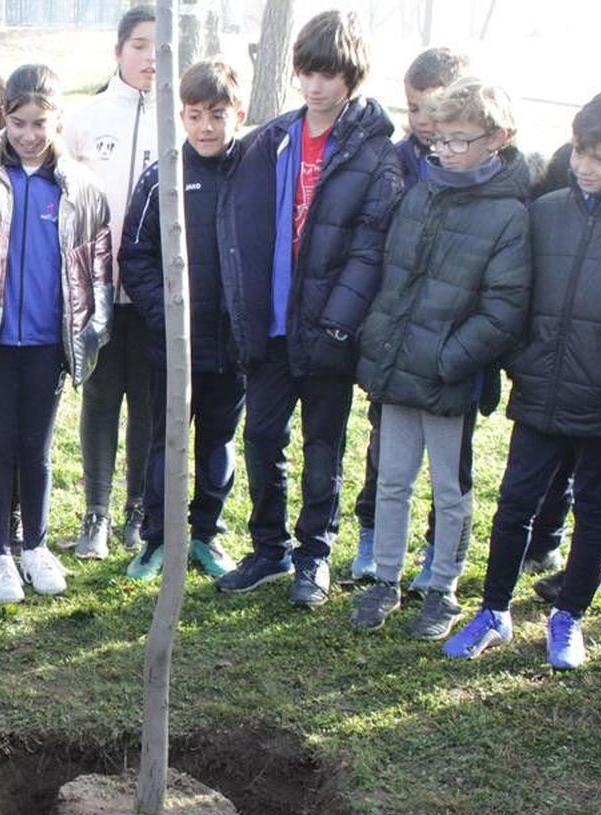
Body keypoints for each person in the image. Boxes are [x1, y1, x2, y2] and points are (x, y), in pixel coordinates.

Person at [444, 86, 601, 670]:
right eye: (579, 151)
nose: (585, 166)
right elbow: (513, 296)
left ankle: (568, 618)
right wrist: (523, 361)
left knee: (596, 510)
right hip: (539, 393)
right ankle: (493, 610)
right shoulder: (546, 212)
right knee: (515, 502)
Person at [213, 9, 403, 608]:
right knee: (263, 440)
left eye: (329, 74)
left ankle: (314, 555)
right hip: (270, 328)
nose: (316, 86)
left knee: (324, 450)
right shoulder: (271, 140)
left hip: (329, 333)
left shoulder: (374, 156)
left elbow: (370, 249)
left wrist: (338, 325)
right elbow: (240, 231)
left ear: (352, 76)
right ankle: (268, 549)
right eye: (307, 72)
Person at [349, 77, 531, 640]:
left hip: (449, 377)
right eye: (438, 140)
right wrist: (383, 342)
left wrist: (447, 358)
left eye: (458, 140)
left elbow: (503, 311)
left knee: (449, 490)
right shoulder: (421, 190)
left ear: (497, 138)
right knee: (392, 478)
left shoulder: (509, 216)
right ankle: (386, 577)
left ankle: (443, 587)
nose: (444, 150)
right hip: (399, 368)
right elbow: (394, 276)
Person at [0, 64, 111, 604]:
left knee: (36, 445)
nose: (29, 134)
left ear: (58, 121)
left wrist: (91, 326)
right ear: (5, 118)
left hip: (46, 341)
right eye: (18, 122)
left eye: (41, 123)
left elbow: (99, 262)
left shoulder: (81, 187)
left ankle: (34, 543)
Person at [119, 59, 247, 582]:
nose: (205, 128)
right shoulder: (162, 176)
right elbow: (135, 255)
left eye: (217, 115)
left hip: (233, 347)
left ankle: (206, 533)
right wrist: (166, 315)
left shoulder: (251, 173)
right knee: (164, 442)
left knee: (218, 441)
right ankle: (156, 539)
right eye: (193, 115)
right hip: (173, 346)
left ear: (238, 113)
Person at [348, 44, 470, 585]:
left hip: (450, 333)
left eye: (433, 107)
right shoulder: (396, 161)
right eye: (413, 107)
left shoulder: (475, 172)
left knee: (451, 461)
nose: (422, 120)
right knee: (384, 444)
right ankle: (374, 530)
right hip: (394, 331)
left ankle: (437, 548)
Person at [64, 5, 158, 558]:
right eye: (140, 45)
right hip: (97, 292)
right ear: (119, 50)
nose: (150, 57)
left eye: (159, 47)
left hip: (151, 296)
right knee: (100, 399)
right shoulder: (88, 117)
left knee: (147, 404)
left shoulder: (179, 114)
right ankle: (95, 513)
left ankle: (137, 511)